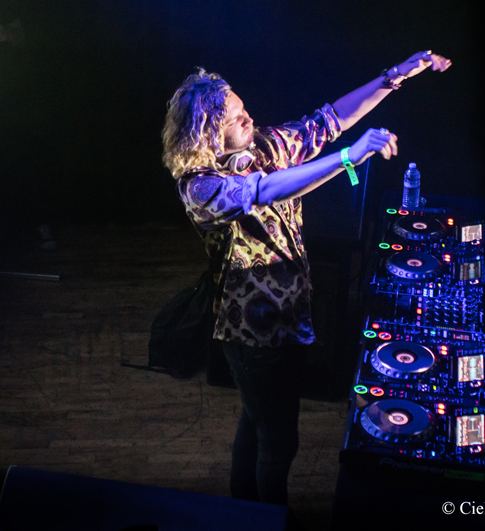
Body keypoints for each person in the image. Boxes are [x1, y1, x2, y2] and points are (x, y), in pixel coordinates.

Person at [161, 50, 451, 505]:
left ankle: (246, 513)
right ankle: (270, 519)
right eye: (236, 119)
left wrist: (394, 76)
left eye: (243, 108)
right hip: (253, 334)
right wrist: (349, 158)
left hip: (291, 316)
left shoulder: (261, 145)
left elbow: (329, 120)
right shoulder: (199, 187)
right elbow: (264, 190)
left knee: (256, 420)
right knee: (279, 443)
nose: (249, 118)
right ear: (208, 137)